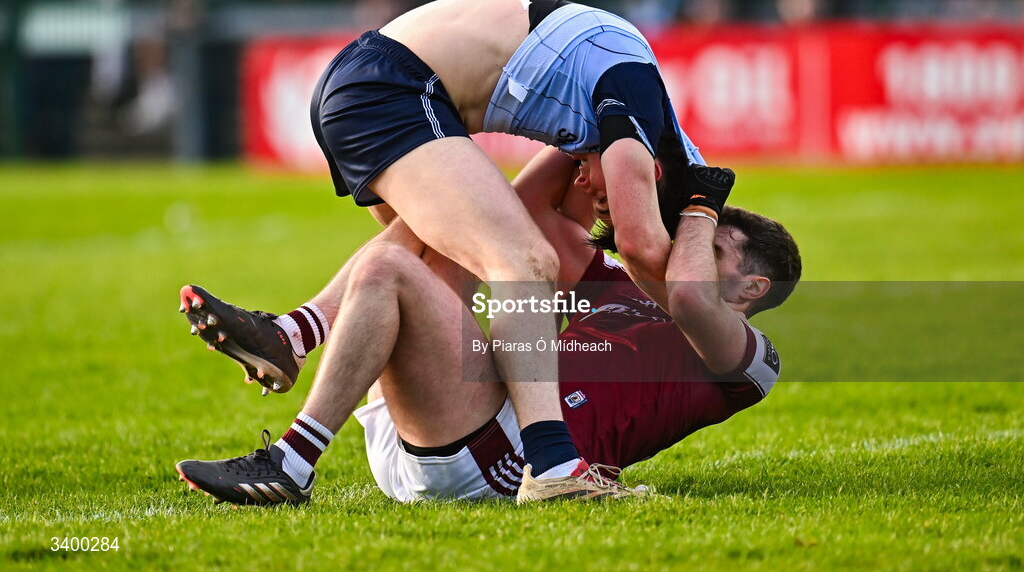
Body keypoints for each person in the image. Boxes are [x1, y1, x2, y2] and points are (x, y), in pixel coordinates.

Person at [196, 0, 702, 498]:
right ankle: (552, 464)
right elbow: (640, 245)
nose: (589, 192)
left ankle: (294, 339)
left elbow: (512, 203)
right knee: (524, 261)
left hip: (368, 77)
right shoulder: (636, 95)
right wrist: (701, 264)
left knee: (432, 254)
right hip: (395, 87)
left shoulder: (615, 89)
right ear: (652, 171)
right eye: (608, 198)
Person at [175, 150, 801, 503]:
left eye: (713, 249)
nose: (690, 249)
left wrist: (699, 206)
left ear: (752, 289)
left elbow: (693, 301)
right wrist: (584, 129)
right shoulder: (615, 280)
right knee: (453, 212)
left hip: (506, 459)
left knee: (391, 267)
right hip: (443, 419)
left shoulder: (750, 359)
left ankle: (291, 462)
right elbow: (512, 210)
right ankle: (296, 333)